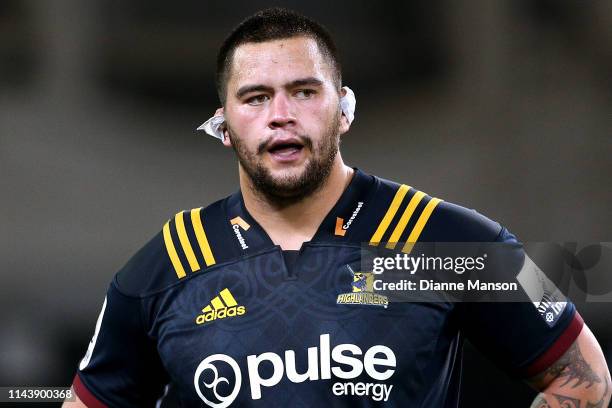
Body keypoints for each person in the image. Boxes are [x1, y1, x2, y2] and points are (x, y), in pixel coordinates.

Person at [64, 7, 610, 407]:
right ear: (224, 127)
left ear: (343, 110)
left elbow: (585, 380)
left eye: (304, 91)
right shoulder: (160, 270)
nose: (281, 114)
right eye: (255, 98)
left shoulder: (462, 243)